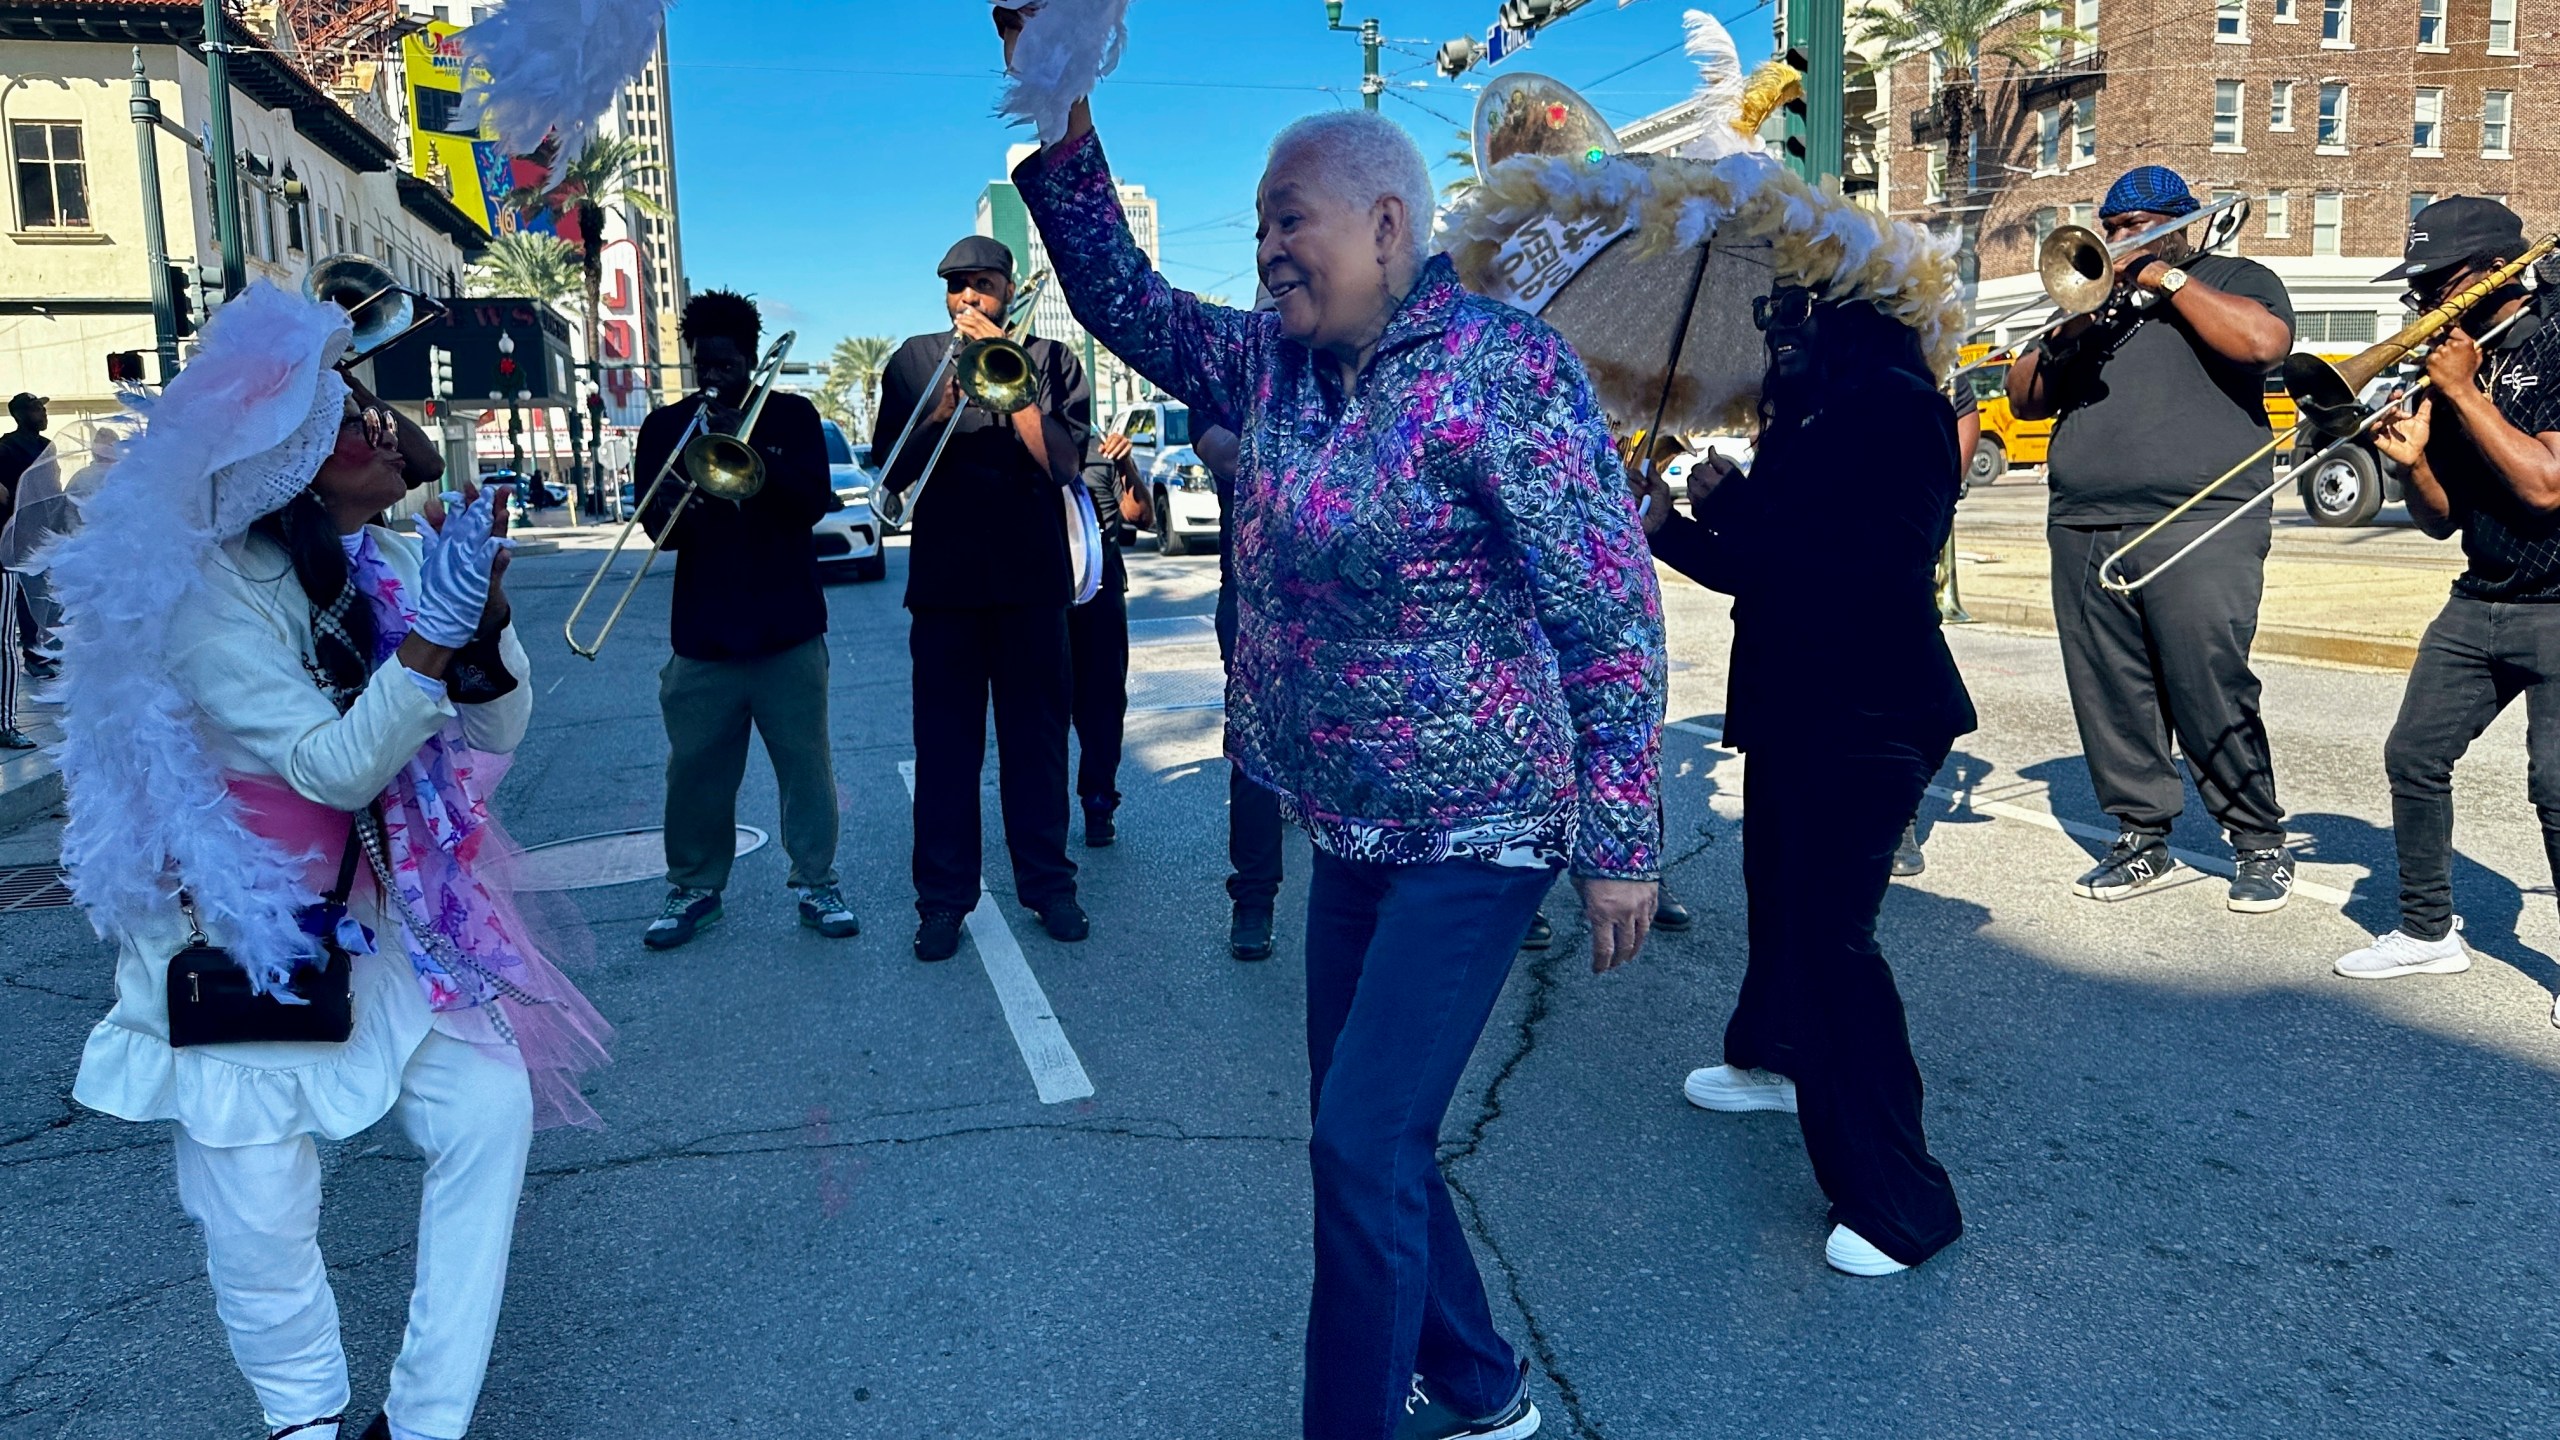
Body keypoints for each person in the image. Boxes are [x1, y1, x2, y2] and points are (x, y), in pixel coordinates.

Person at [1004, 25, 1665, 1434]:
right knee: (1371, 1140)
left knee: (1362, 1144)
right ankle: (1483, 1387)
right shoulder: (1268, 368)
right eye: (1255, 228)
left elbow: (1609, 615)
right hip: (1351, 827)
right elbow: (1119, 293)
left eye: (1286, 221)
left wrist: (1619, 838)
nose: (1265, 252)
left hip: (1481, 831)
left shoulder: (1504, 370)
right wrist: (1056, 85)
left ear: (1385, 223)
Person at [49, 281, 610, 1440]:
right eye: (350, 420)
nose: (380, 429)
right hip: (240, 939)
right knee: (261, 1218)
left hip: (379, 926)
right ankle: (306, 1425)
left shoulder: (378, 558)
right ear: (295, 464)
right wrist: (431, 647)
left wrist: (480, 635)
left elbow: (493, 735)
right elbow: (328, 768)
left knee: (490, 1108)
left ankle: (424, 1421)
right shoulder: (208, 599)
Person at [1638, 286, 1976, 1278]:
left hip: (1868, 716)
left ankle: (1900, 1203)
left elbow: (1870, 562)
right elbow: (1762, 571)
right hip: (1796, 709)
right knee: (1779, 906)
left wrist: (1732, 502)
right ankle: (1776, 1057)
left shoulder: (1900, 407)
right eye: (1772, 319)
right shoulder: (1813, 414)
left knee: (1833, 940)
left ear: (1852, 317)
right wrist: (1663, 525)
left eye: (1796, 319)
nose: (1777, 337)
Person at [2005, 165, 2299, 910]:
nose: (2121, 240)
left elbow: (2264, 345)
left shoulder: (2236, 276)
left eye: (2137, 227)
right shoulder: (2095, 305)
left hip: (2201, 516)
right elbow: (2024, 395)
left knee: (2209, 678)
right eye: (2114, 228)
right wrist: (2075, 320)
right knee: (2110, 690)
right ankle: (2142, 836)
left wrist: (2166, 278)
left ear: (2179, 223)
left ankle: (2258, 840)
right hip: (2085, 521)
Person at [2338, 198, 2560, 1014]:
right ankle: (2429, 933)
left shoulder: (2553, 343)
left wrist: (2465, 395)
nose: (2423, 302)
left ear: (2497, 272)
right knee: (2414, 755)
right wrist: (2412, 463)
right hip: (2482, 596)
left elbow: (2546, 486)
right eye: (2419, 287)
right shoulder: (2458, 359)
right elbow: (2441, 522)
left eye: (2437, 284)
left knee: (2558, 785)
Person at [873, 236, 1094, 961]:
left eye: (982, 285)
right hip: (944, 589)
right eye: (956, 286)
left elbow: (1063, 467)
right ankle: (942, 902)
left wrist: (1015, 380)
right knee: (945, 752)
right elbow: (893, 472)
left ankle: (1049, 887)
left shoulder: (1054, 360)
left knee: (1036, 745)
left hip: (1032, 587)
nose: (968, 298)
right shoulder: (911, 358)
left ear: (1006, 288)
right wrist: (941, 402)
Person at [635, 290, 857, 949]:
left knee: (806, 766)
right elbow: (658, 534)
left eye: (727, 366)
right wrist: (675, 493)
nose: (713, 377)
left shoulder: (790, 417)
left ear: (752, 360)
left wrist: (747, 443)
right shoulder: (665, 428)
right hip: (704, 636)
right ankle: (695, 889)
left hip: (786, 629)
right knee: (695, 773)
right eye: (704, 364)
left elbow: (814, 500)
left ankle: (816, 881)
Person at [1195, 419, 1287, 961]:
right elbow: (1224, 453)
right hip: (1255, 595)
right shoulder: (1236, 365)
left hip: (1349, 589)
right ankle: (1254, 900)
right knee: (1256, 751)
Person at [1073, 423, 1133, 847]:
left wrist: (1127, 463)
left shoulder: (1101, 451)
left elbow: (1140, 516)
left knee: (1104, 705)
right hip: (1039, 595)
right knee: (1040, 708)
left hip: (1101, 592)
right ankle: (1040, 815)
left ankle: (1098, 802)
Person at [0, 391, 52, 679]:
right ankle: (33, 653)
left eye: (42, 410)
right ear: (19, 415)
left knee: (46, 593)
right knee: (24, 594)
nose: (43, 415)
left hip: (45, 530)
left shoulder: (47, 446)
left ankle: (47, 649)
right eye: (35, 410)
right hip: (19, 532)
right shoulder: (7, 446)